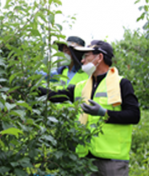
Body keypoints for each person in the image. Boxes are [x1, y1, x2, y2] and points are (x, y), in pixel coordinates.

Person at [38, 40, 140, 176]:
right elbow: (55, 96)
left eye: (86, 56)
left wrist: (104, 113)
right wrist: (30, 88)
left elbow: (134, 115)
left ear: (100, 57)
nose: (82, 60)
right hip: (86, 157)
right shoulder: (82, 86)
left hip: (112, 159)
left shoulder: (121, 84)